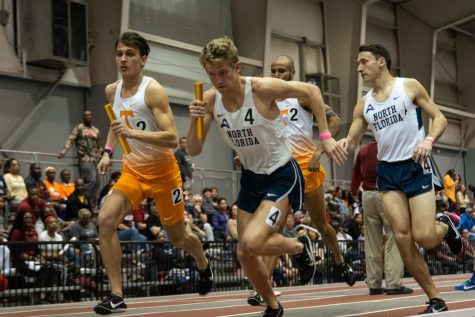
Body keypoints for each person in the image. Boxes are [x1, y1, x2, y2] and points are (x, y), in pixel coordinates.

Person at [187, 36, 346, 317]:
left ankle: (298, 246)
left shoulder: (261, 88)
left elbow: (312, 92)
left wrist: (324, 137)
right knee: (244, 253)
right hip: (251, 179)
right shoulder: (210, 100)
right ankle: (273, 305)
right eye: (211, 75)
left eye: (223, 72)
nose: (218, 80)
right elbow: (194, 149)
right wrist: (194, 120)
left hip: (281, 175)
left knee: (252, 242)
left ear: (237, 67)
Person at [93, 31, 213, 315]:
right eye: (120, 53)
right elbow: (115, 121)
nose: (123, 59)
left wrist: (132, 133)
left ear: (142, 60)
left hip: (164, 174)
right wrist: (107, 152)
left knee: (178, 238)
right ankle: (116, 295)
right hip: (133, 171)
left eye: (130, 54)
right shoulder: (112, 90)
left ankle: (203, 262)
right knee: (105, 219)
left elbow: (172, 137)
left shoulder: (153, 90)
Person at [338, 43, 461, 313]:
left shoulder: (409, 86)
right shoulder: (364, 103)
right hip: (388, 174)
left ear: (381, 62)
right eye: (358, 63)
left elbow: (439, 118)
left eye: (364, 61)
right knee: (403, 240)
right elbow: (353, 137)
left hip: (416, 167)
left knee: (426, 238)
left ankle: (444, 225)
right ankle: (435, 299)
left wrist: (428, 140)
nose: (359, 67)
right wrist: (341, 144)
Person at [351, 140, 413, 295]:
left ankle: (374, 283)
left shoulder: (364, 149)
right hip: (386, 193)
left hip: (367, 196)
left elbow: (356, 174)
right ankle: (393, 284)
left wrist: (353, 192)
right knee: (394, 236)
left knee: (371, 241)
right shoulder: (392, 145)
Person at [58, 110, 101, 202]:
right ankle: (83, 199)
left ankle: (92, 203)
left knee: (96, 182)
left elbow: (99, 145)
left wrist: (102, 156)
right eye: (85, 115)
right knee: (91, 180)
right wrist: (64, 151)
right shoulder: (79, 128)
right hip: (84, 157)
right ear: (83, 117)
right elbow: (71, 139)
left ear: (92, 117)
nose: (87, 116)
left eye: (89, 115)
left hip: (95, 159)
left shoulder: (96, 130)